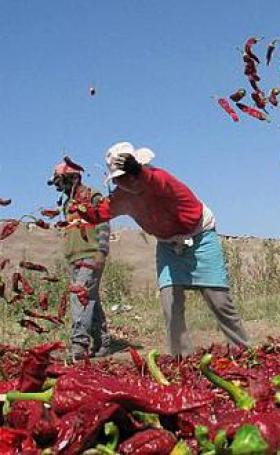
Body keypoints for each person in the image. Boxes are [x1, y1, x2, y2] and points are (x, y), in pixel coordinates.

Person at [79, 142, 249, 356]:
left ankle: (243, 351)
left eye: (129, 175)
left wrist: (139, 172)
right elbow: (98, 214)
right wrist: (78, 200)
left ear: (138, 170)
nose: (126, 182)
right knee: (170, 301)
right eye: (120, 178)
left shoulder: (158, 178)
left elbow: (157, 182)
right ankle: (182, 358)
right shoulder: (123, 196)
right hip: (168, 245)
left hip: (200, 237)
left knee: (219, 300)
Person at [48, 160, 112, 360]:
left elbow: (103, 221)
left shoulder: (91, 195)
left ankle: (79, 345)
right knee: (90, 298)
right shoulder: (68, 203)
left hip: (91, 255)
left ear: (74, 178)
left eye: (62, 181)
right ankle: (103, 342)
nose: (60, 187)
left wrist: (102, 251)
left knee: (80, 297)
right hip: (75, 258)